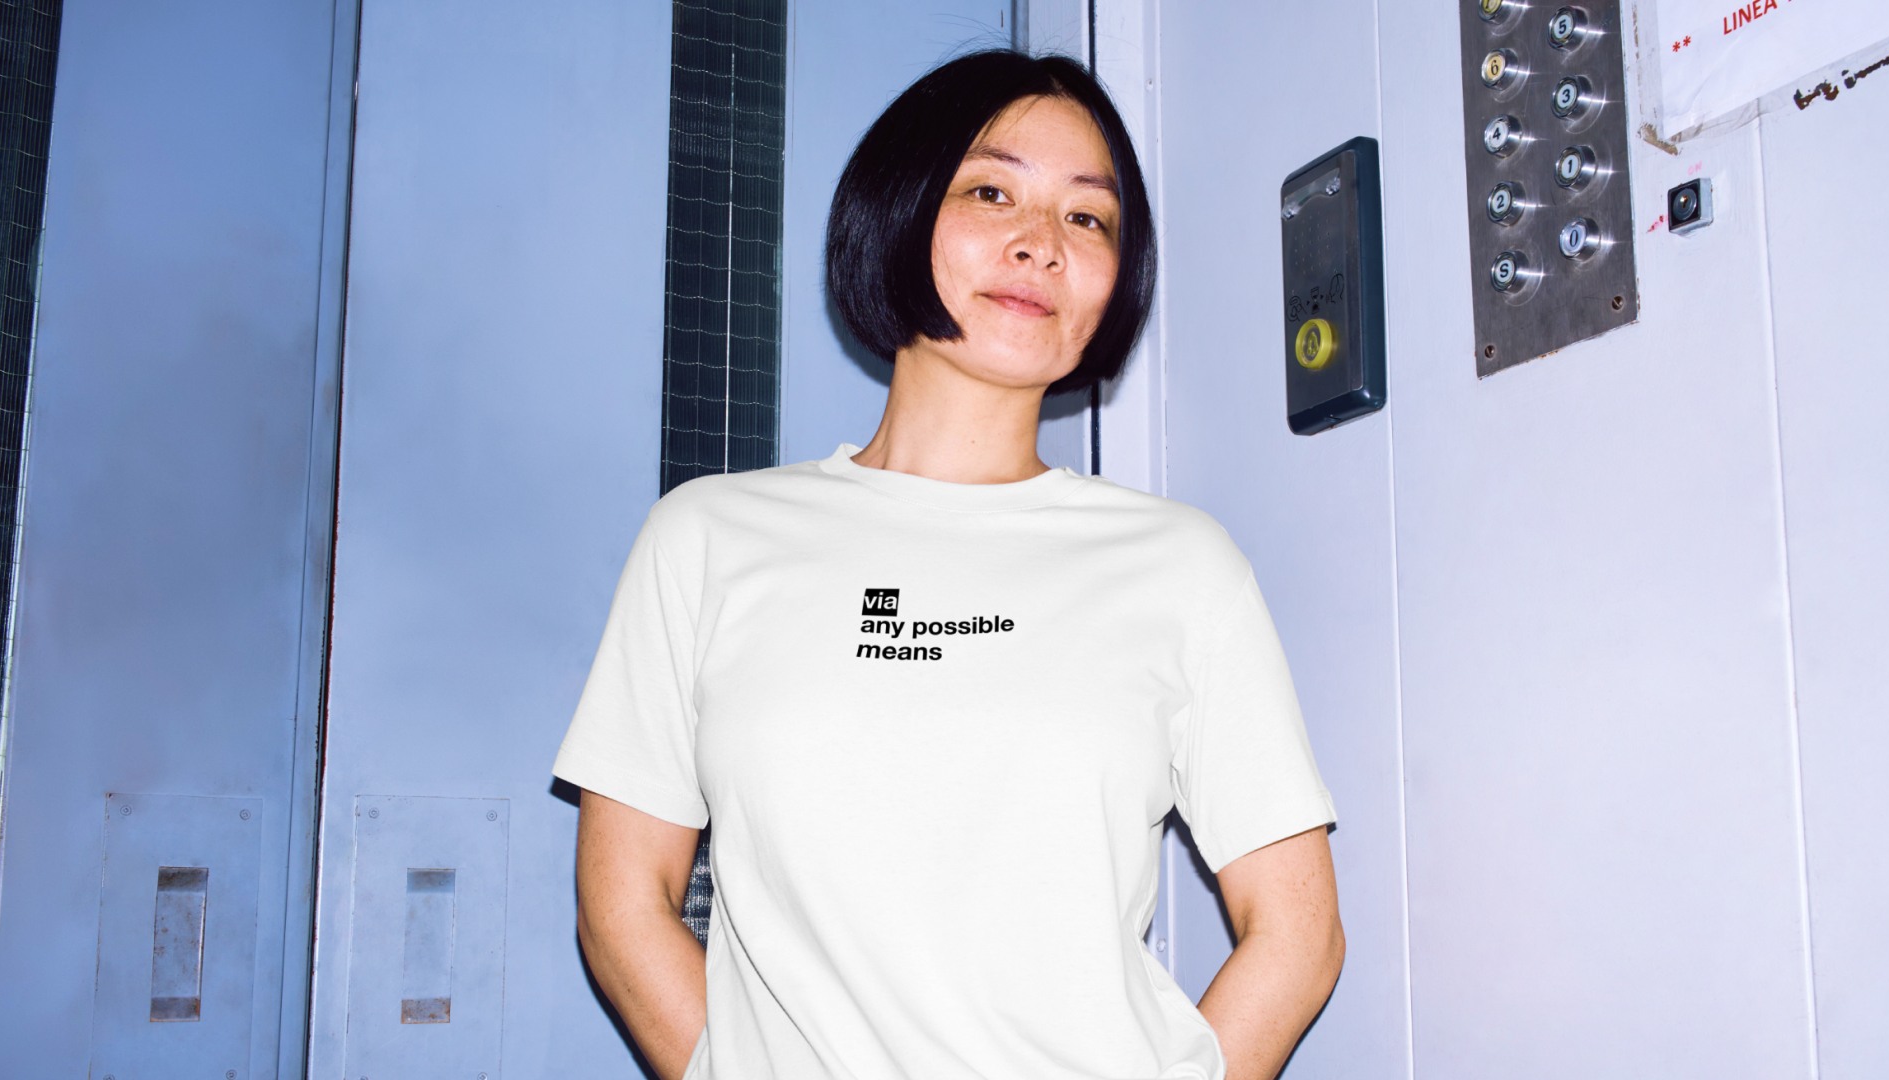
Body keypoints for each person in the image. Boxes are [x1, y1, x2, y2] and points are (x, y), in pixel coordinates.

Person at [555, 49, 1343, 1080]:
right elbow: (623, 908)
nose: (1042, 245)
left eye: (1088, 218)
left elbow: (1299, 936)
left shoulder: (1184, 568)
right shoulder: (706, 540)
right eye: (991, 191)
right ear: (900, 211)